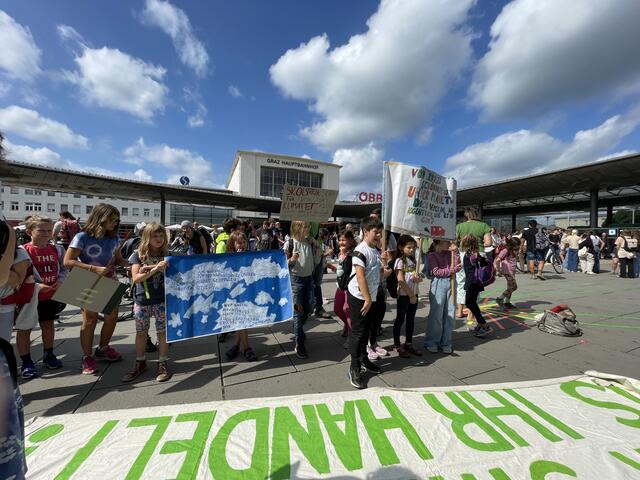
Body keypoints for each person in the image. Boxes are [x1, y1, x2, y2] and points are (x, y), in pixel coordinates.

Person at [64, 203, 129, 375]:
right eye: (112, 219)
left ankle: (103, 348)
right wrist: (94, 269)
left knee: (112, 317)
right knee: (90, 320)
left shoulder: (114, 238)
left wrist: (131, 265)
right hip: (86, 281)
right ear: (101, 218)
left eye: (117, 220)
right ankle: (87, 357)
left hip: (110, 281)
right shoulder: (82, 236)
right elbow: (68, 261)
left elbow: (118, 260)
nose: (115, 223)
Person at [18, 216, 68, 378]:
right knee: (25, 329)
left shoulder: (57, 249)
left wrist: (60, 281)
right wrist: (37, 287)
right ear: (29, 232)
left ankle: (49, 354)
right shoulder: (22, 251)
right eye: (41, 230)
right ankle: (26, 361)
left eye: (49, 230)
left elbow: (63, 269)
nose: (46, 234)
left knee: (48, 325)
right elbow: (18, 276)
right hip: (29, 298)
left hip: (50, 296)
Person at [122, 223, 171, 382]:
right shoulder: (138, 255)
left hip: (162, 300)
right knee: (141, 333)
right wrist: (156, 268)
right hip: (142, 301)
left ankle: (162, 362)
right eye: (155, 236)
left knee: (162, 333)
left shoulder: (167, 254)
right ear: (147, 237)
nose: (159, 239)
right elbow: (136, 278)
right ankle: (140, 362)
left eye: (161, 236)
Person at [346, 216, 391, 390]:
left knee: (366, 331)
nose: (379, 236)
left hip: (370, 296)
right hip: (359, 296)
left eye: (380, 233)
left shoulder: (375, 250)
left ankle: (363, 359)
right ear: (366, 232)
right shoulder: (360, 250)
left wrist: (384, 269)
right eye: (376, 232)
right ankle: (354, 367)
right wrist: (367, 298)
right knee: (358, 333)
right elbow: (360, 276)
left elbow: (376, 275)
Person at [284, 221, 319, 359]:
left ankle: (299, 331)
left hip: (309, 279)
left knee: (309, 308)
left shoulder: (309, 241)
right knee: (298, 313)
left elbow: (316, 259)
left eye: (309, 226)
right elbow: (282, 264)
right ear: (298, 228)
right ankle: (299, 342)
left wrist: (317, 247)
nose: (309, 228)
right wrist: (292, 259)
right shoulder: (290, 243)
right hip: (296, 281)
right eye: (306, 226)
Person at [223, 230, 258, 362]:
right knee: (240, 320)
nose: (242, 245)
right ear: (232, 244)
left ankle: (237, 346)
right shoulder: (228, 257)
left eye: (243, 242)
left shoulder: (249, 255)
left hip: (246, 292)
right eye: (238, 243)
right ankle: (247, 348)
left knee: (241, 320)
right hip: (233, 294)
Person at [424, 239, 460, 354]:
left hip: (451, 282)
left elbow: (458, 265)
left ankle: (446, 342)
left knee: (450, 312)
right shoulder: (431, 255)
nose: (450, 243)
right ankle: (432, 341)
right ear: (438, 243)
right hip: (439, 284)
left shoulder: (451, 253)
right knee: (437, 314)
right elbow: (436, 271)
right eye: (446, 242)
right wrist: (451, 270)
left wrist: (456, 252)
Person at [391, 235, 423, 357]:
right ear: (400, 247)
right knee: (400, 319)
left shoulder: (413, 260)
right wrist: (411, 295)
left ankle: (409, 343)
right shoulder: (399, 261)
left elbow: (415, 277)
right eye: (409, 247)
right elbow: (400, 280)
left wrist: (418, 279)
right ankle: (397, 344)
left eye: (414, 247)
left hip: (413, 294)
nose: (412, 250)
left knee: (411, 319)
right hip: (405, 295)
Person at [461, 234, 492, 338]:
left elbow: (481, 262)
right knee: (471, 302)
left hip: (472, 282)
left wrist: (478, 259)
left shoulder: (472, 253)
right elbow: (483, 263)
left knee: (469, 302)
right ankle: (481, 323)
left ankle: (484, 325)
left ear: (466, 243)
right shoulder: (472, 253)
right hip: (474, 281)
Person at [333, 230, 355, 341]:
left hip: (349, 287)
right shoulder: (341, 253)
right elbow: (340, 271)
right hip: (340, 285)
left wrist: (344, 256)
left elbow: (348, 270)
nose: (341, 242)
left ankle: (351, 338)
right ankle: (347, 324)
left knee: (347, 309)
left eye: (344, 240)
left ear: (351, 241)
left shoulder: (353, 254)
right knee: (337, 309)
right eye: (340, 240)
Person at [494, 237, 521, 309]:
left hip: (512, 271)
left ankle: (507, 302)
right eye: (517, 245)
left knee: (510, 287)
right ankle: (500, 298)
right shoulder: (505, 250)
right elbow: (497, 260)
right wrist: (498, 270)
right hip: (507, 271)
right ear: (511, 245)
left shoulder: (514, 250)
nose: (518, 246)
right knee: (514, 287)